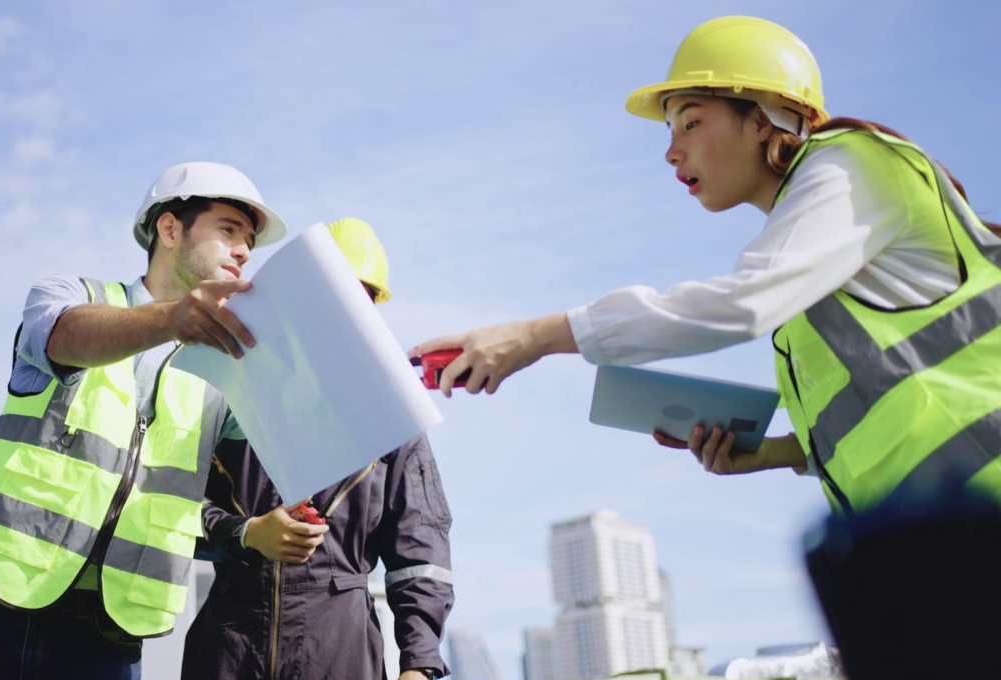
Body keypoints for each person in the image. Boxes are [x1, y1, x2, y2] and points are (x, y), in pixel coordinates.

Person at [411, 15, 1001, 518]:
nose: (671, 150)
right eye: (670, 130)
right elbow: (891, 408)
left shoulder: (852, 163)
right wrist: (776, 452)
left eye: (691, 121)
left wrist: (534, 337)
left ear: (766, 116)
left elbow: (737, 304)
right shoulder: (804, 298)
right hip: (930, 533)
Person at [0, 161, 287, 680]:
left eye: (249, 242)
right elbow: (64, 337)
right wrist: (171, 320)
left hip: (109, 634)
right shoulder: (70, 294)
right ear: (169, 229)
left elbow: (226, 490)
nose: (243, 251)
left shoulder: (226, 374)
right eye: (228, 229)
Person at [178, 218, 454, 680]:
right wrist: (245, 534)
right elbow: (169, 510)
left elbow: (420, 544)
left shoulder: (395, 417)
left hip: (340, 655)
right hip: (226, 652)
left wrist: (418, 661)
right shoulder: (227, 386)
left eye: (362, 300)